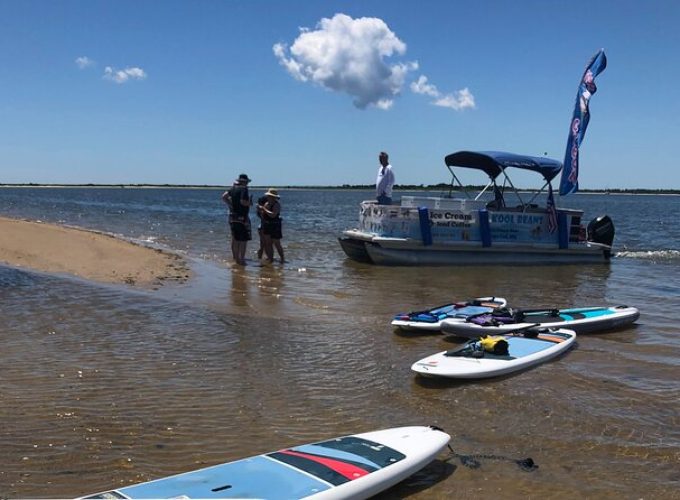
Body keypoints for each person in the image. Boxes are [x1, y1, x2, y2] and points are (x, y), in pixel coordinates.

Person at [222, 173, 252, 265]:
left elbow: (224, 197)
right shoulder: (244, 189)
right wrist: (249, 203)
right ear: (245, 182)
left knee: (235, 238)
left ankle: (235, 258)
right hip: (242, 216)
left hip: (232, 216)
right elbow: (243, 201)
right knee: (243, 239)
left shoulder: (232, 188)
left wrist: (230, 204)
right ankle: (242, 259)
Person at [258, 188, 285, 263]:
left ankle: (282, 259)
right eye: (268, 196)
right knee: (268, 243)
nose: (268, 197)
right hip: (267, 225)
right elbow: (264, 215)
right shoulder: (267, 204)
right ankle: (270, 259)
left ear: (274, 197)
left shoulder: (277, 205)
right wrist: (261, 210)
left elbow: (273, 215)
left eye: (269, 196)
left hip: (275, 225)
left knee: (277, 243)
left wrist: (263, 208)